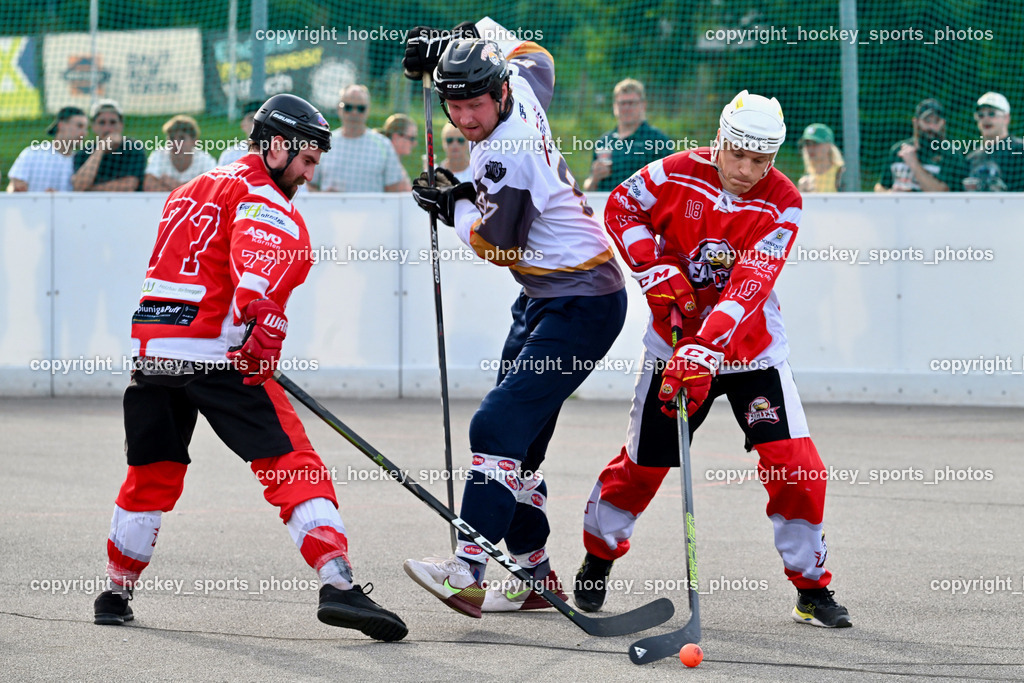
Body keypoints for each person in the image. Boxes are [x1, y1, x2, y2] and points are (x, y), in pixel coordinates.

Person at [91, 93, 407, 642]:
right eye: (307, 160)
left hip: (156, 353)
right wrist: (261, 316)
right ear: (277, 146)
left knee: (152, 472)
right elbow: (258, 254)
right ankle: (336, 581)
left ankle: (115, 591)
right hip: (220, 355)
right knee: (292, 463)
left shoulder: (189, 189)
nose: (309, 174)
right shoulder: (261, 194)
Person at [574, 90, 852, 630]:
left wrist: (706, 346)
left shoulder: (784, 199)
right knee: (644, 467)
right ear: (719, 142)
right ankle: (599, 556)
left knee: (797, 469)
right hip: (670, 349)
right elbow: (620, 206)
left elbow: (752, 283)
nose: (747, 170)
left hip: (750, 353)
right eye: (738, 155)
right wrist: (654, 267)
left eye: (761, 160)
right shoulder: (673, 172)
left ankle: (811, 589)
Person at [400, 26, 627, 617]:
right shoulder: (519, 82)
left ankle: (467, 572)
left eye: (474, 105)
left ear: (498, 94)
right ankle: (531, 574)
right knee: (519, 446)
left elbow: (499, 246)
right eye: (452, 104)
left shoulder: (508, 151)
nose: (464, 118)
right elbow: (535, 52)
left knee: (497, 425)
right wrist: (449, 41)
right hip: (547, 296)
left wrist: (453, 205)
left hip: (582, 303)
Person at [311, 85, 407, 192]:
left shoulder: (384, 145)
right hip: (333, 209)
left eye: (361, 108)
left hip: (372, 209)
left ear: (368, 110)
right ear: (339, 108)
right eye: (348, 107)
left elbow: (394, 190)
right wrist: (323, 198)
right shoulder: (324, 143)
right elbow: (308, 185)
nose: (354, 112)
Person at [582, 78, 671, 192]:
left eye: (631, 103)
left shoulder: (658, 140)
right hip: (606, 206)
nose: (626, 108)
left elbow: (670, 185)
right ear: (615, 106)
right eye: (622, 103)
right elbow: (589, 190)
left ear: (643, 105)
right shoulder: (604, 141)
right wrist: (594, 178)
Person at [874, 98, 964, 192]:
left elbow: (943, 193)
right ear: (916, 122)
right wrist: (891, 194)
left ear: (943, 123)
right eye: (927, 121)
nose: (931, 127)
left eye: (936, 122)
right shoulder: (898, 150)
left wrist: (913, 163)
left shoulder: (951, 154)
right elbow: (880, 187)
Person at [71, 99, 147, 192]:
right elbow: (79, 186)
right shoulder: (84, 152)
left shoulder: (133, 148)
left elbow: (129, 185)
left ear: (121, 125)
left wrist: (90, 190)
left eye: (113, 123)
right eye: (102, 123)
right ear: (94, 126)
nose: (107, 129)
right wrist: (101, 148)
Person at [6, 106, 87, 192]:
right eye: (79, 126)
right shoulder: (32, 153)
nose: (84, 133)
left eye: (85, 128)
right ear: (61, 125)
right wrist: (16, 189)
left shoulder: (82, 161)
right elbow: (12, 187)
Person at [963, 92, 1024, 192]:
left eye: (992, 113)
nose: (986, 119)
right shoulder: (972, 158)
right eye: (981, 115)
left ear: (1006, 118)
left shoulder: (1020, 150)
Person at [143, 115, 218, 192]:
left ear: (194, 141)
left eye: (182, 138)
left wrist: (172, 184)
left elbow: (212, 187)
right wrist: (190, 187)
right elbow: (149, 186)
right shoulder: (159, 155)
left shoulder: (204, 159)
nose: (176, 143)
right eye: (172, 138)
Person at [797, 123, 845, 192]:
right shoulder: (806, 180)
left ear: (828, 146)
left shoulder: (842, 174)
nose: (810, 148)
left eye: (815, 143)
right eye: (807, 144)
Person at [218, 100, 262, 167]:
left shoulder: (276, 154)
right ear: (243, 125)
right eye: (251, 119)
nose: (256, 123)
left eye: (261, 119)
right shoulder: (229, 155)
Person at [381, 113, 416, 191]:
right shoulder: (389, 166)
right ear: (396, 138)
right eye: (412, 138)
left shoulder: (395, 164)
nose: (414, 143)